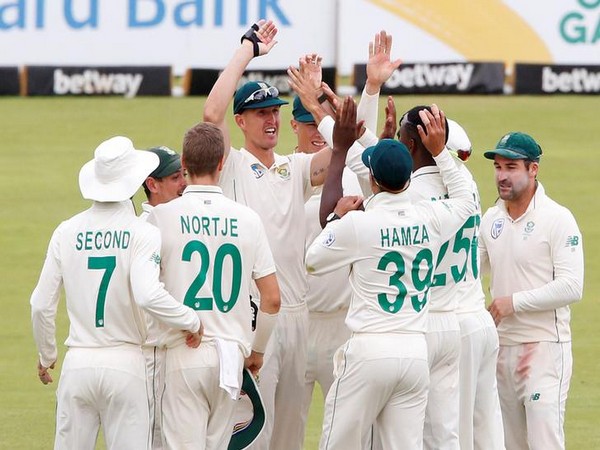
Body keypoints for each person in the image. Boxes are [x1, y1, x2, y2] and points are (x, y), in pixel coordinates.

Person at [306, 97, 477, 449]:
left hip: (370, 348)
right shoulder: (428, 218)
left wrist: (338, 216)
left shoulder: (360, 223)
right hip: (414, 350)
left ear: (372, 178)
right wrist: (441, 152)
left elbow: (313, 260)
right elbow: (465, 201)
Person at [202, 20, 333, 450]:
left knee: (290, 437)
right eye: (261, 113)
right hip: (254, 317)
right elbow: (211, 114)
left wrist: (317, 105)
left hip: (298, 315)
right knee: (253, 436)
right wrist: (248, 50)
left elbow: (346, 150)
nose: (272, 120)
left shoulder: (294, 168)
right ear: (242, 121)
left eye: (275, 111)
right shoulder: (233, 166)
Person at [30, 136, 202, 450]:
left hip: (78, 363)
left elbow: (40, 304)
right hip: (126, 365)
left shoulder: (65, 231)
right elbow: (148, 295)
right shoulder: (143, 232)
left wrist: (47, 355)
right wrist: (191, 320)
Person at [399, 110, 505, 449]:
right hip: (479, 321)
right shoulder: (467, 184)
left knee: (446, 433)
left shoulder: (410, 194)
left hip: (447, 323)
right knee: (487, 430)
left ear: (414, 143)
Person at [479, 132, 584, 450]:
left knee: (543, 442)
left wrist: (514, 303)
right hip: (501, 349)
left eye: (511, 167)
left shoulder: (557, 218)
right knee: (510, 444)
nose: (502, 176)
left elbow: (571, 286)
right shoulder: (491, 219)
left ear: (533, 169)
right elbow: (469, 273)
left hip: (544, 349)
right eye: (498, 167)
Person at [291, 96, 362, 447]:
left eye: (321, 126)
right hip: (297, 322)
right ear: (294, 127)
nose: (317, 135)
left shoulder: (350, 177)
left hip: (341, 323)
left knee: (345, 432)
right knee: (285, 428)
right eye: (309, 125)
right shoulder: (285, 175)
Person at [139, 145, 187, 449]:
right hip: (154, 352)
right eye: (173, 178)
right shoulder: (144, 229)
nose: (183, 183)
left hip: (180, 352)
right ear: (152, 185)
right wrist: (191, 322)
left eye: (183, 174)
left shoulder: (178, 221)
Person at [140, 146, 187, 219]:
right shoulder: (147, 226)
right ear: (152, 185)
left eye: (184, 174)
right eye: (175, 177)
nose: (185, 183)